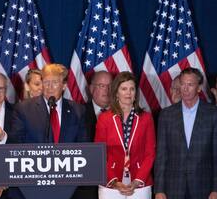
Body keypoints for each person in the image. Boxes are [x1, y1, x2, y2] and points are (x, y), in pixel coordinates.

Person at [9, 63, 89, 198]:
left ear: (64, 85)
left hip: (67, 183)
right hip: (33, 183)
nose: (50, 87)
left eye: (55, 82)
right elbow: (16, 144)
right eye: (46, 82)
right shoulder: (24, 109)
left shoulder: (78, 110)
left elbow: (83, 147)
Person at [154, 67, 217, 199]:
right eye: (182, 84)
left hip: (204, 188)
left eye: (190, 84)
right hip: (173, 188)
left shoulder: (214, 114)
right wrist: (159, 189)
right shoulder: (166, 115)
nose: (185, 88)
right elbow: (161, 155)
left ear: (199, 88)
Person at [94, 71, 156, 199]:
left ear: (135, 94)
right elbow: (99, 154)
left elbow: (150, 153)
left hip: (140, 183)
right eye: (124, 89)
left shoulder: (146, 118)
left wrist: (137, 180)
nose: (128, 93)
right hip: (111, 183)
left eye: (132, 89)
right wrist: (115, 182)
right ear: (116, 92)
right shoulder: (104, 118)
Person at [72, 71, 113, 199]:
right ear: (91, 89)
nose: (106, 90)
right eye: (101, 86)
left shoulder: (123, 114)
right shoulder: (77, 113)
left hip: (116, 185)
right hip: (86, 187)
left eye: (110, 86)